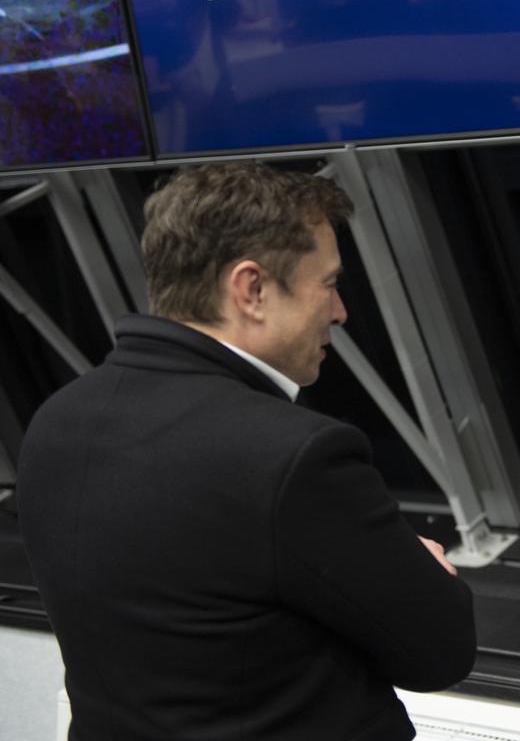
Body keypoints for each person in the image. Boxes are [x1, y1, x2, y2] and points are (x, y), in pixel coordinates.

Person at [18, 161, 476, 740]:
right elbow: (441, 653)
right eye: (330, 284)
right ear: (253, 289)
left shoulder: (57, 423)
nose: (340, 312)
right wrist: (424, 571)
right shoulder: (290, 456)